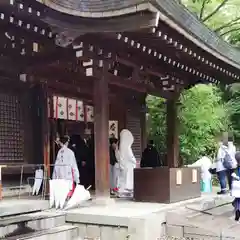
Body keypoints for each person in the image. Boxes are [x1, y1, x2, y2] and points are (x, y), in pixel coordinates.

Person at [118, 129, 136, 197]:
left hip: (123, 166)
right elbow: (131, 157)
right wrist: (134, 160)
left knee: (123, 179)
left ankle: (121, 191)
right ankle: (127, 191)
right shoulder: (127, 148)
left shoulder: (120, 147)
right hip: (129, 166)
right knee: (128, 180)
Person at [231, 151, 240, 221]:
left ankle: (237, 210)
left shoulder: (236, 167)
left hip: (236, 186)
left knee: (237, 199)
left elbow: (233, 176)